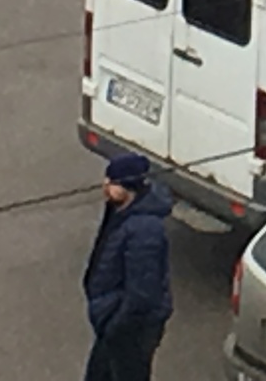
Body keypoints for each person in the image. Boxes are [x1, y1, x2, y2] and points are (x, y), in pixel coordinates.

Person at [83, 154, 173, 381]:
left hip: (131, 331)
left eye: (112, 182)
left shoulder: (144, 231)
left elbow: (142, 295)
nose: (105, 185)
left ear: (128, 188)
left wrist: (114, 325)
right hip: (115, 322)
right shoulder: (122, 211)